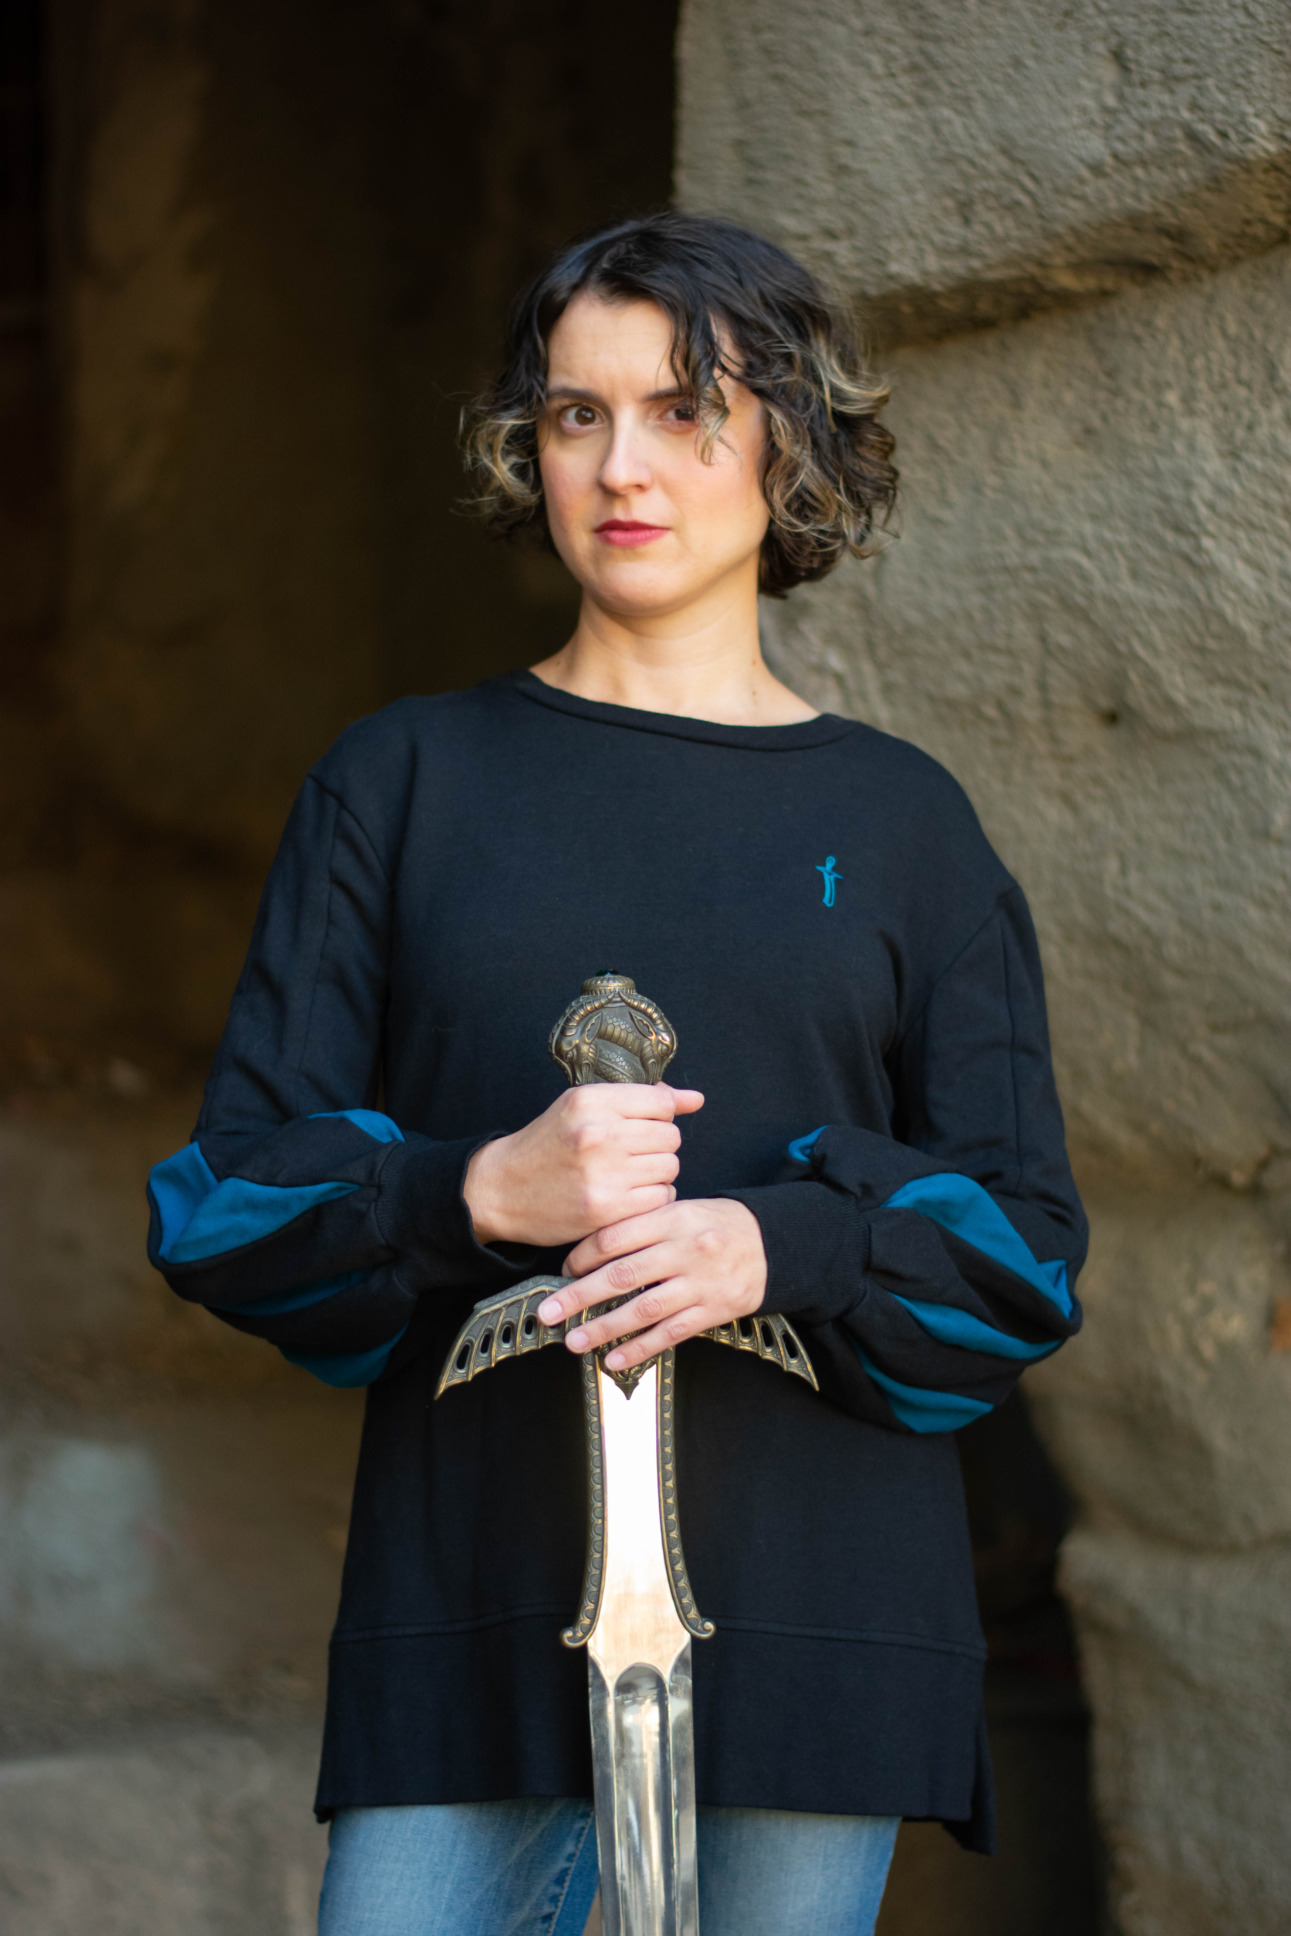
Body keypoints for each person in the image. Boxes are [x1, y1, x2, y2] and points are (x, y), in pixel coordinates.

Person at [146, 212, 1087, 1936]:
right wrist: (469, 1191)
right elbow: (221, 1210)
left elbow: (1024, 1257)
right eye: (576, 416)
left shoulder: (902, 825)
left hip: (818, 1625)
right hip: (469, 1612)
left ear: (787, 444)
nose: (621, 464)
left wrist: (779, 1245)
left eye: (682, 411)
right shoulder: (404, 783)